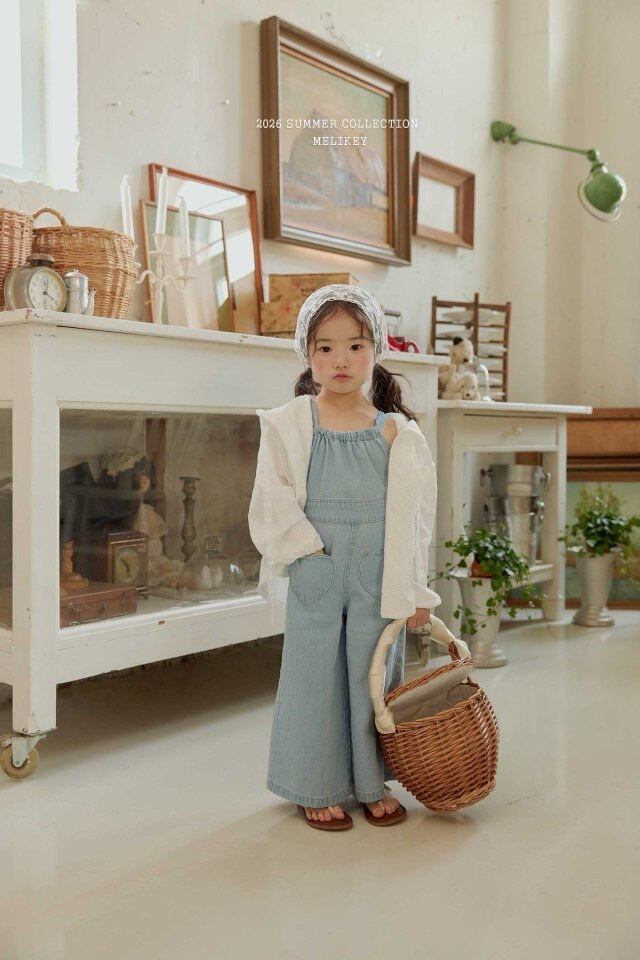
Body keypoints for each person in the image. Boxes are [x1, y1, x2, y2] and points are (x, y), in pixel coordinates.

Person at [248, 284, 441, 831]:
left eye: (355, 346)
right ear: (307, 355)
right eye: (326, 347)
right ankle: (315, 784)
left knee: (373, 673)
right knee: (313, 672)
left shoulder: (396, 432)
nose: (341, 360)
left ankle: (371, 782)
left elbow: (415, 518)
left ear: (376, 350)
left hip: (380, 572)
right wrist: (306, 550)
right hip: (317, 563)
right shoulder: (291, 423)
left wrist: (416, 590)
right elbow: (272, 496)